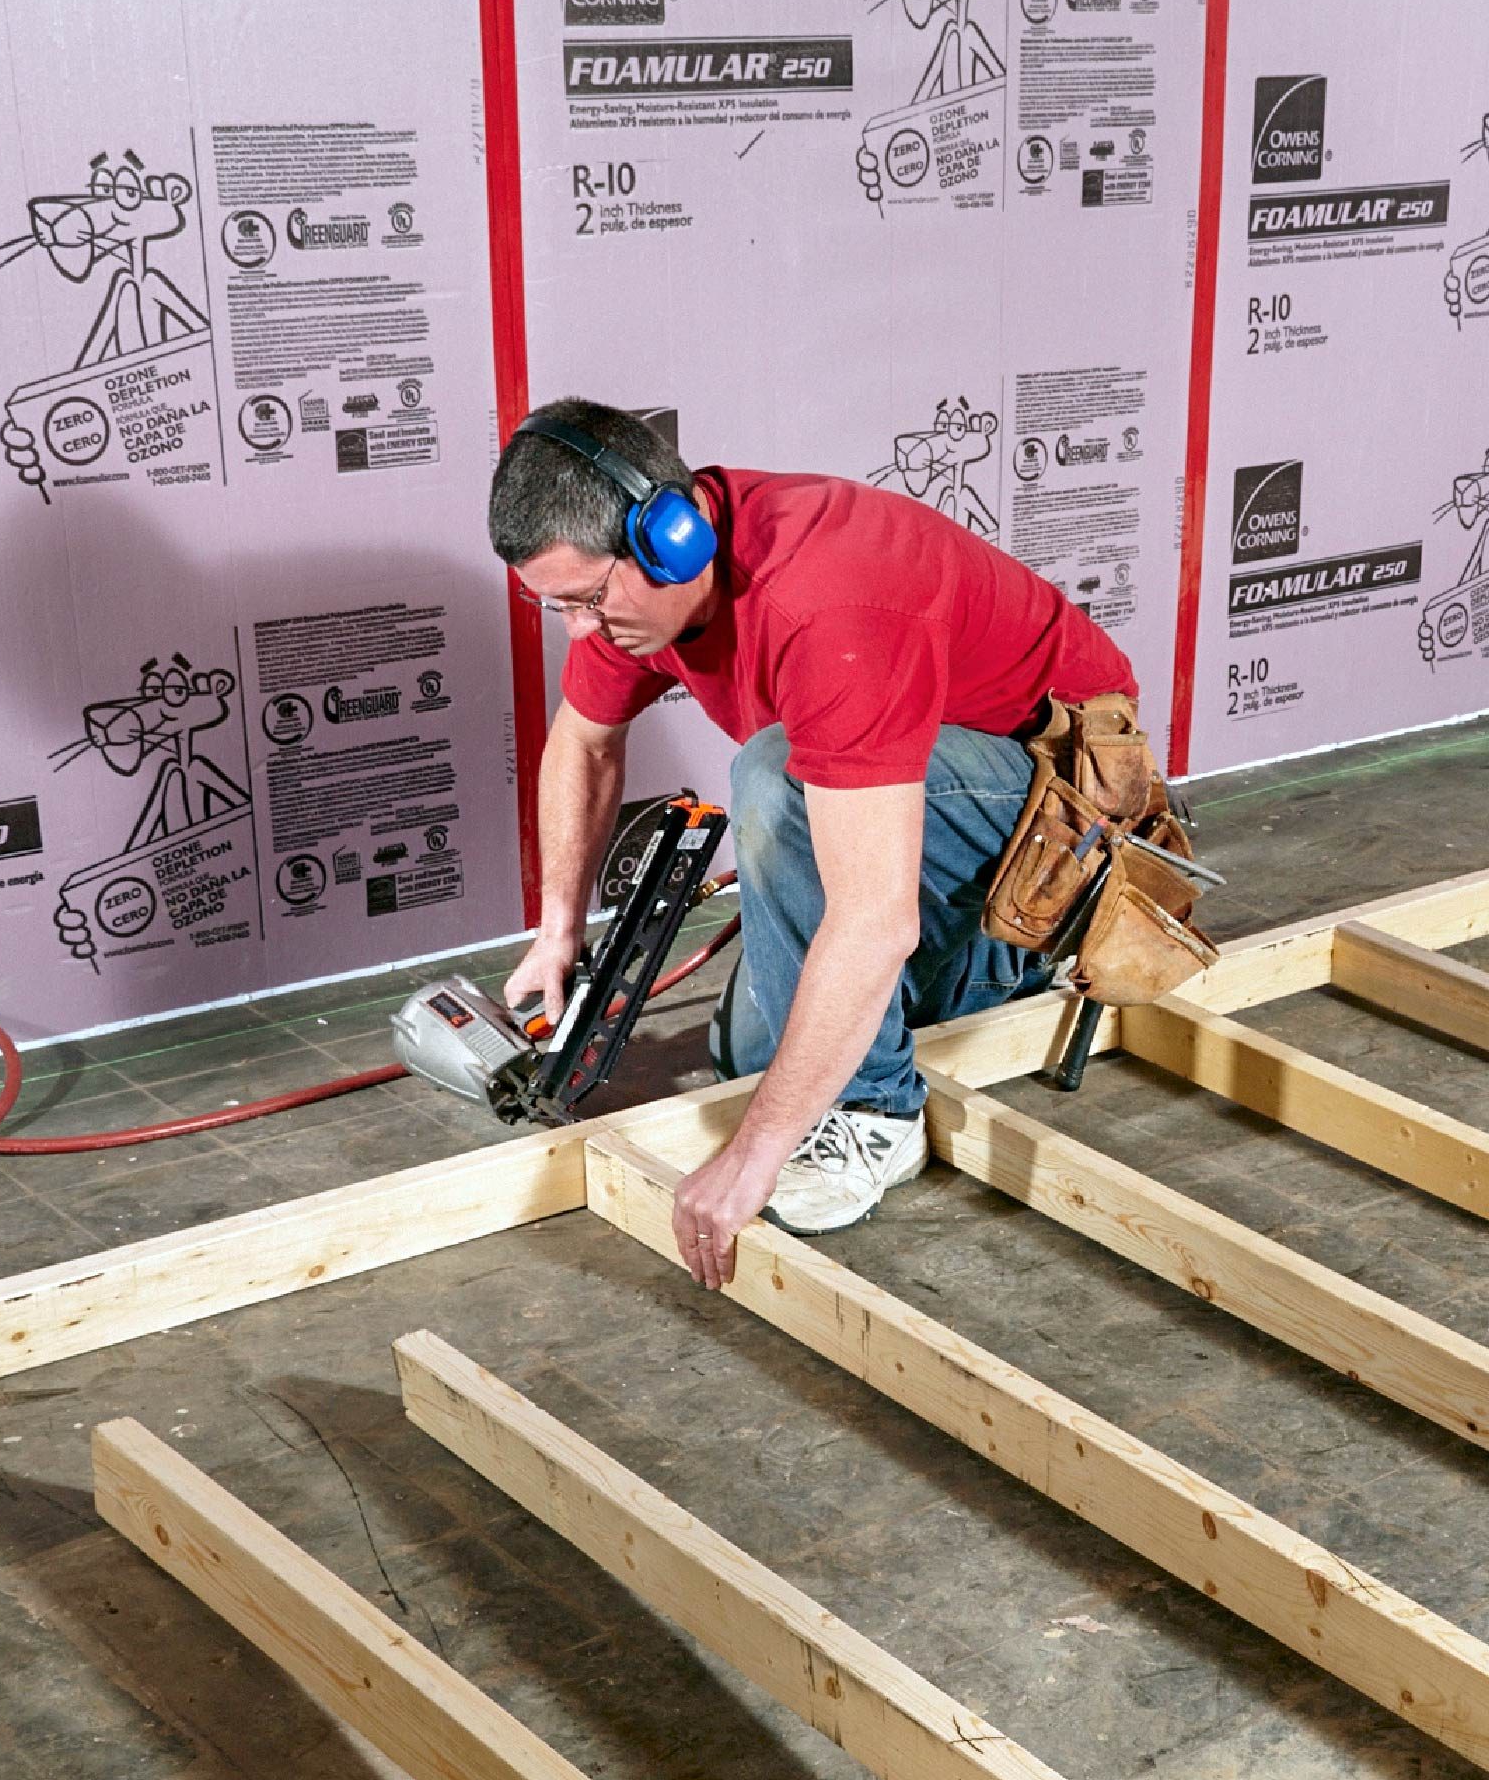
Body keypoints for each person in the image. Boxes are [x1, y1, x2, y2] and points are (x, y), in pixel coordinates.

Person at [487, 398, 1136, 1287]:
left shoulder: (828, 606)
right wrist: (560, 928)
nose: (581, 631)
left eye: (588, 600)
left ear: (671, 539)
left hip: (1064, 807)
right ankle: (929, 996)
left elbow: (871, 920)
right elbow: (584, 740)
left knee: (777, 784)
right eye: (556, 606)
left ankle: (884, 1111)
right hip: (918, 782)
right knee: (757, 1057)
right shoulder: (634, 592)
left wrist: (752, 1157)